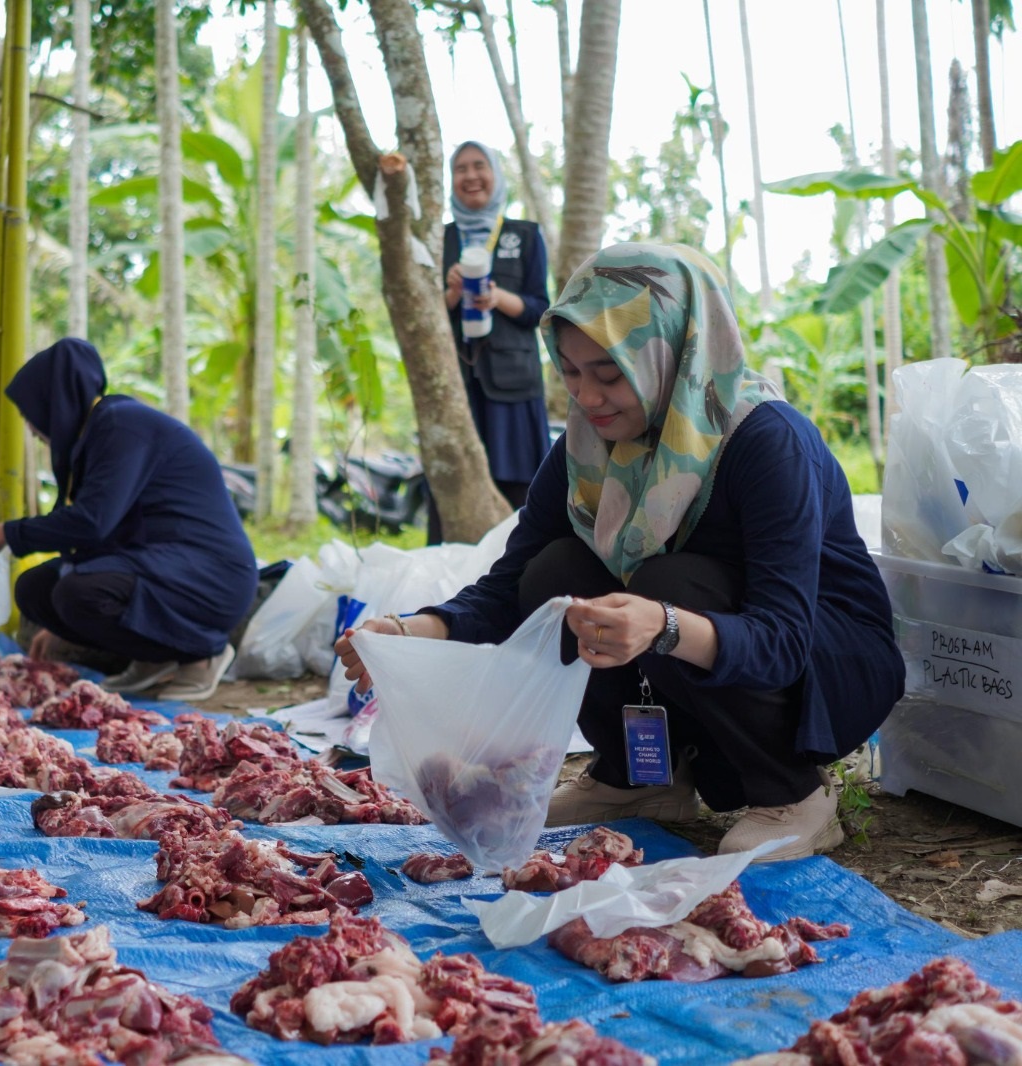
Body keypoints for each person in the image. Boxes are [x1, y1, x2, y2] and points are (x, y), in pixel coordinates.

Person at [337, 243, 904, 862]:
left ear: (674, 352)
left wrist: (661, 624)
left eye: (611, 375)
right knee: (555, 575)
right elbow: (511, 584)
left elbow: (784, 637)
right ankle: (639, 779)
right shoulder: (582, 450)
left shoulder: (767, 442)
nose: (588, 397)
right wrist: (411, 630)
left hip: (819, 664)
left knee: (668, 583)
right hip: (697, 651)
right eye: (572, 372)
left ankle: (793, 793)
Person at [0, 338, 258, 702]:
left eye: (32, 415)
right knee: (36, 590)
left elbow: (91, 523)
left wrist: (8, 533)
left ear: (53, 403)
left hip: (210, 575)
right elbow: (92, 538)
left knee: (77, 594)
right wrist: (62, 626)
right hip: (159, 564)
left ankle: (201, 655)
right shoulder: (95, 437)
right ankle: (154, 658)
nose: (33, 430)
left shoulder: (121, 426)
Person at [427, 142, 552, 544]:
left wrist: (498, 298)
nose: (470, 176)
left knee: (519, 493)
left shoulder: (524, 235)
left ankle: (518, 576)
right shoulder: (439, 239)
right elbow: (421, 318)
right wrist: (450, 295)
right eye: (460, 168)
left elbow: (540, 308)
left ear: (496, 175)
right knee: (455, 484)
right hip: (454, 386)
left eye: (480, 166)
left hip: (513, 386)